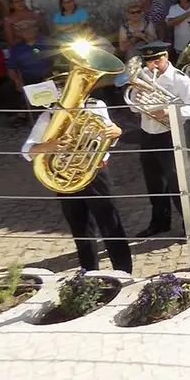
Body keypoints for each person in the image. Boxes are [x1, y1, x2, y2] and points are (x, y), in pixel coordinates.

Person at [21, 84, 132, 273]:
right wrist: (48, 146)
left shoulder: (95, 106)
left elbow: (110, 133)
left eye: (68, 87)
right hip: (65, 177)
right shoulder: (49, 115)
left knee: (111, 224)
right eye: (61, 88)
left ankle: (123, 272)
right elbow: (26, 149)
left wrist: (117, 132)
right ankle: (88, 273)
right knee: (80, 228)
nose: (67, 93)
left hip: (96, 173)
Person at [127, 42, 190, 238]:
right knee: (154, 182)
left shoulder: (179, 79)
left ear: (166, 56)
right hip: (148, 133)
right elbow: (134, 107)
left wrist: (168, 111)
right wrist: (139, 100)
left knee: (178, 183)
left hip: (170, 135)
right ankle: (160, 222)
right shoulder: (142, 75)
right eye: (150, 61)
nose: (154, 65)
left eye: (158, 59)